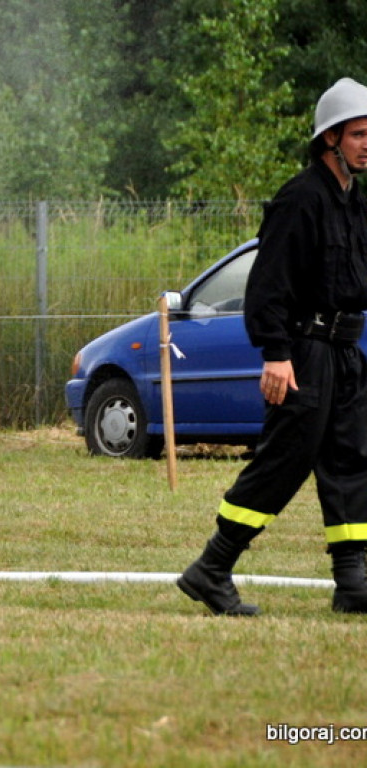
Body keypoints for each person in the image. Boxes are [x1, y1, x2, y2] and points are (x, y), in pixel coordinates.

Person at [178, 77, 367, 616]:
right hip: (303, 353)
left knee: (352, 461)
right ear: (330, 139)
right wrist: (276, 355)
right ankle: (212, 568)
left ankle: (352, 582)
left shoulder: (355, 204)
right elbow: (267, 288)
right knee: (284, 463)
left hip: (347, 353)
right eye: (358, 134)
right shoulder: (299, 199)